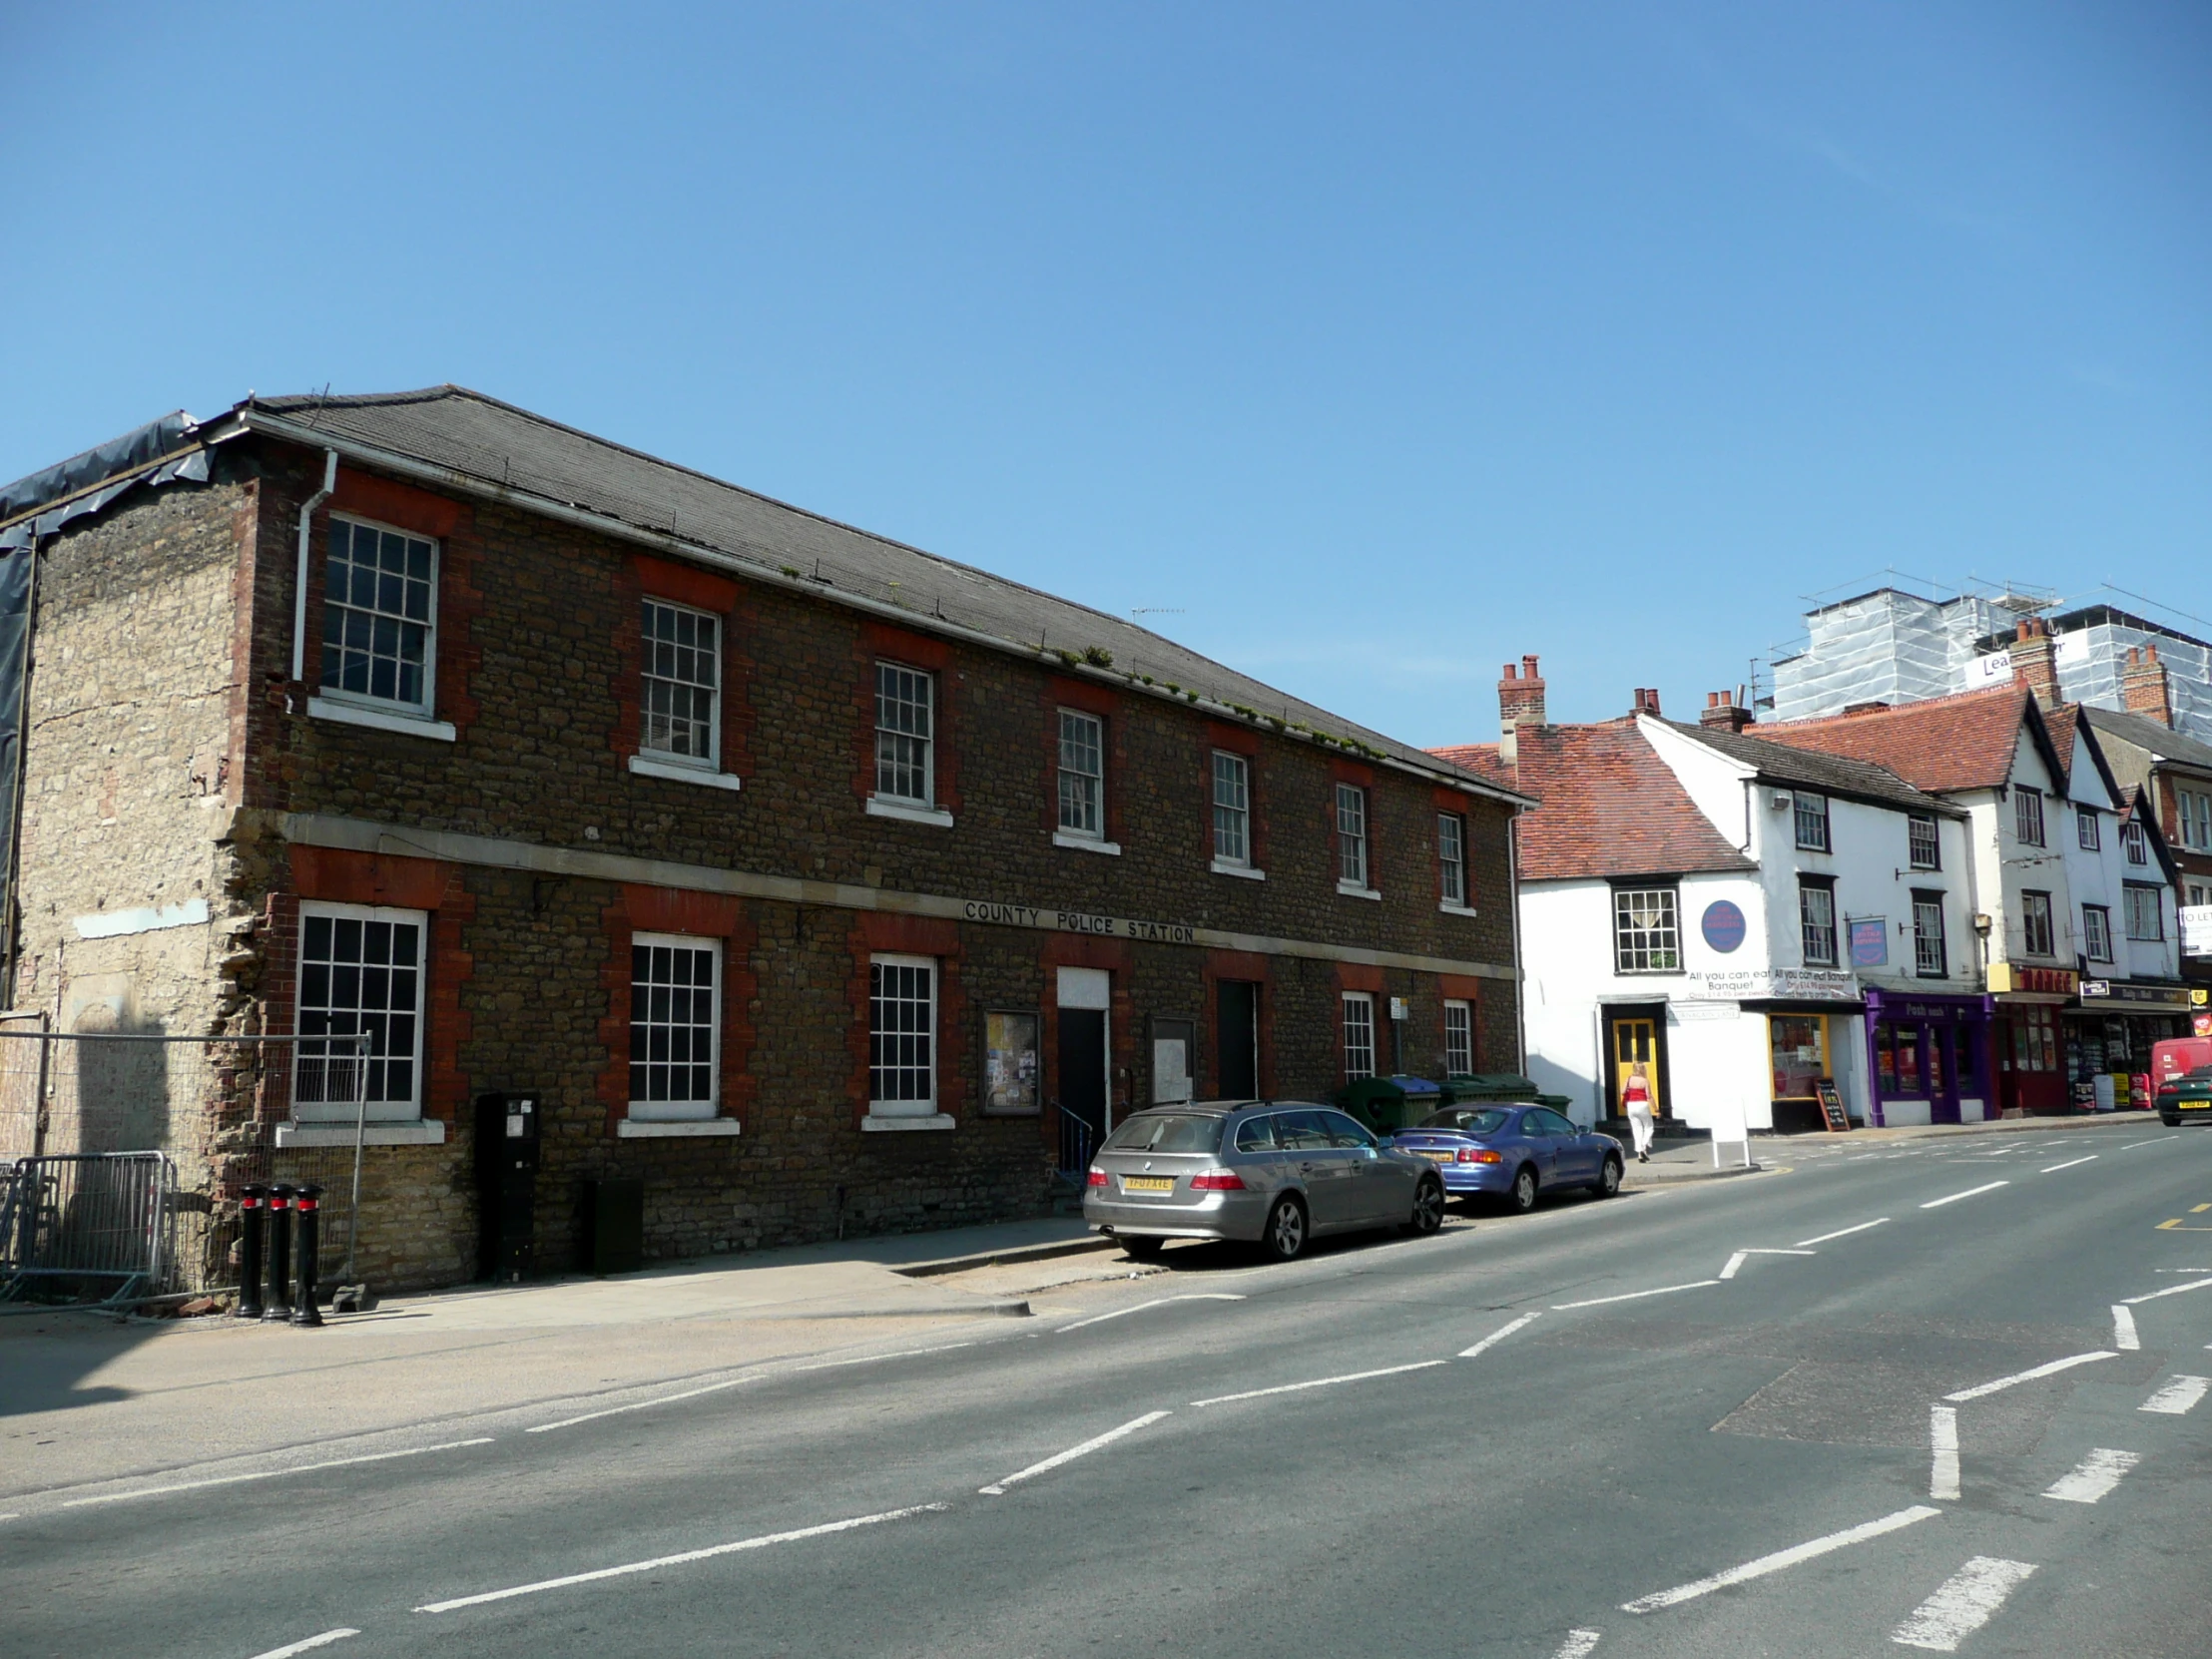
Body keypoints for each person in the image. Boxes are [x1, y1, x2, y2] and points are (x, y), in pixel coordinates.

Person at [1623, 1063, 1655, 1162]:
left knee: (1637, 1130)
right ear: (1643, 1070)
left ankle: (1640, 1154)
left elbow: (1622, 1091)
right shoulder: (1645, 1081)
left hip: (1631, 1105)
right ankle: (1643, 1145)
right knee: (1649, 1127)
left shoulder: (1628, 1079)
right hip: (1642, 1104)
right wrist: (1656, 1109)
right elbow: (1649, 1096)